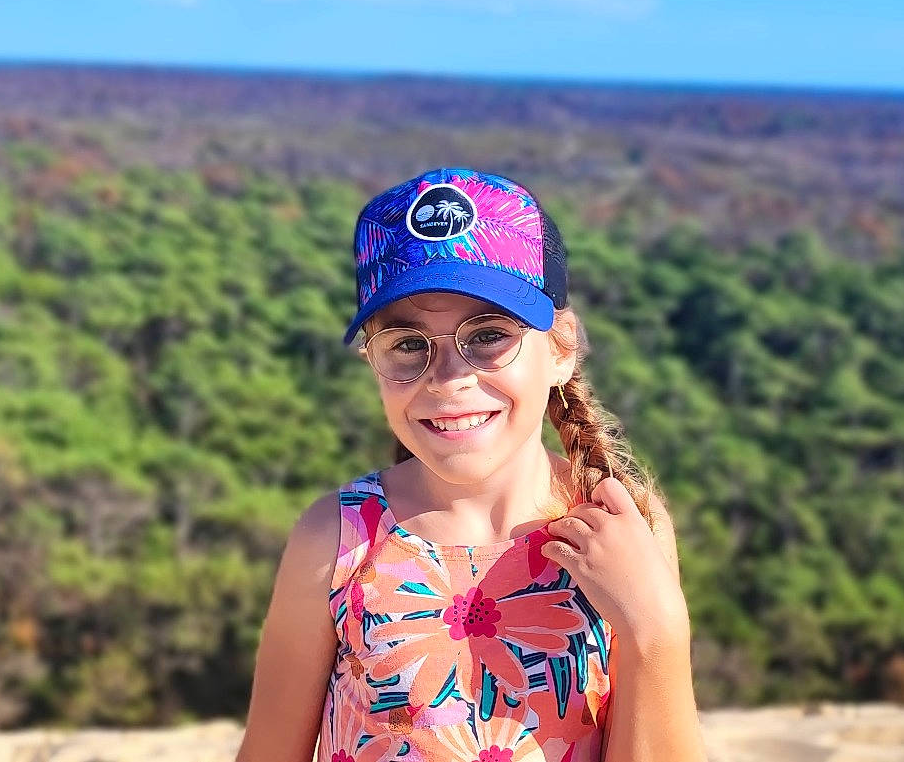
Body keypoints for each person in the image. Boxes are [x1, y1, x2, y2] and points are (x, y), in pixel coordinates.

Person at [236, 168, 704, 762]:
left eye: (488, 336)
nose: (450, 378)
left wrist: (656, 631)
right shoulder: (337, 538)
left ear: (560, 349)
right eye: (407, 344)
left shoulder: (623, 529)